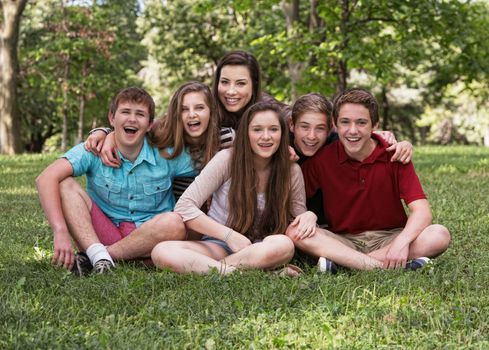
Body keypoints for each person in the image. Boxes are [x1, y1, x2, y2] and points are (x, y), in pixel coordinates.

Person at [36, 87, 196, 275]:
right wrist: (60, 230)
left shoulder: (168, 154)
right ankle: (100, 253)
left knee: (174, 222)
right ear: (112, 118)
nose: (132, 119)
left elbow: (210, 164)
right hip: (102, 233)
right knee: (65, 184)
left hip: (151, 238)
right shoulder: (93, 149)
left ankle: (98, 257)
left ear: (150, 124)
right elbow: (45, 179)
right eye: (125, 112)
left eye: (140, 114)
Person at [287, 88, 450, 272]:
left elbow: (422, 212)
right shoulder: (322, 160)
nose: (353, 130)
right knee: (295, 232)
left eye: (361, 123)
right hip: (343, 240)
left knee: (438, 234)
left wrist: (400, 243)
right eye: (345, 122)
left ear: (374, 126)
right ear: (336, 124)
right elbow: (290, 198)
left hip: (390, 237)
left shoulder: (394, 155)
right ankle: (386, 267)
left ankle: (344, 266)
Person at [151, 101, 317, 275]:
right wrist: (229, 236)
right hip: (219, 245)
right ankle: (253, 274)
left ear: (282, 134)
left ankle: (208, 268)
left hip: (262, 249)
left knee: (284, 245)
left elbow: (298, 219)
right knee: (162, 251)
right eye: (257, 129)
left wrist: (309, 216)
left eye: (273, 129)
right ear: (246, 133)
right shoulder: (227, 159)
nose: (266, 136)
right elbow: (184, 206)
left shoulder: (291, 171)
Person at [288, 92, 413, 227]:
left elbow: (363, 140)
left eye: (320, 128)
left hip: (328, 224)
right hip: (297, 218)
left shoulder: (337, 144)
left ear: (331, 128)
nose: (311, 136)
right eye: (305, 127)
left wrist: (403, 144)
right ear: (292, 126)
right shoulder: (282, 145)